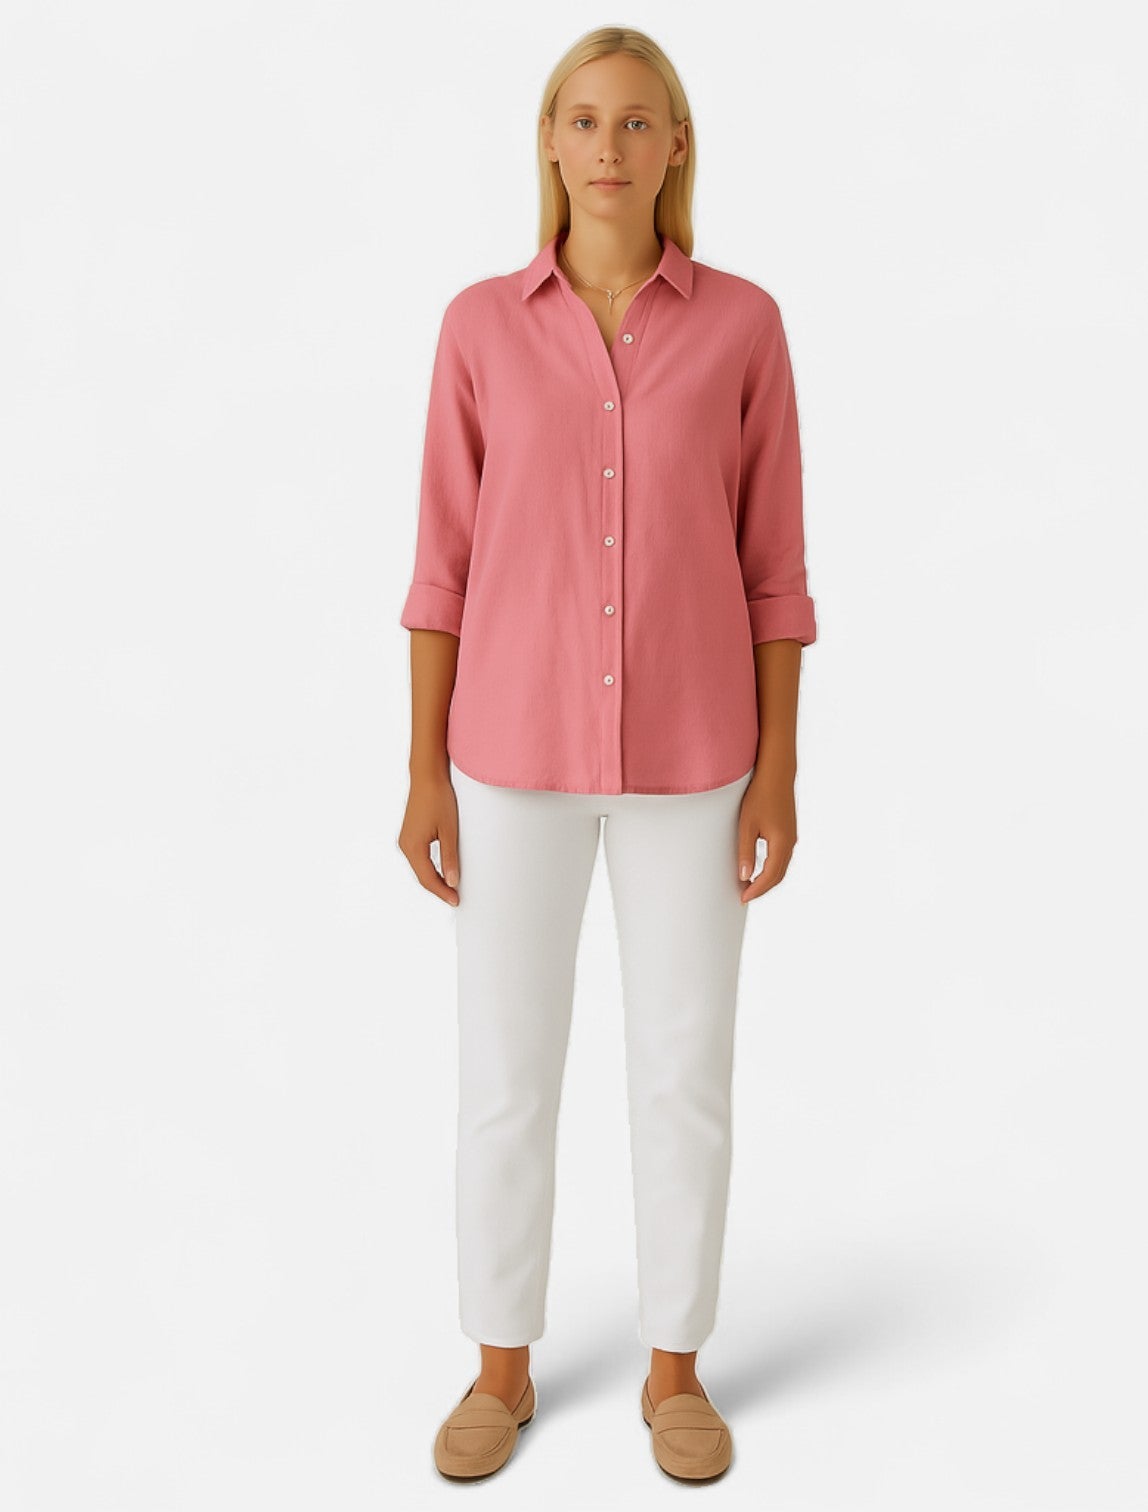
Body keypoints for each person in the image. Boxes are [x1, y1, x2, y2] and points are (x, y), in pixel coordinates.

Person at [398, 25, 817, 1484]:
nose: (608, 147)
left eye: (638, 122)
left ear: (675, 145)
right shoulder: (477, 326)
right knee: (505, 1071)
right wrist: (423, 768)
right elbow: (441, 564)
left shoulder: (746, 327)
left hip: (697, 758)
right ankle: (500, 1366)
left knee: (683, 1069)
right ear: (549, 140)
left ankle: (675, 1370)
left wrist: (779, 769)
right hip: (508, 750)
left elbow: (775, 570)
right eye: (583, 120)